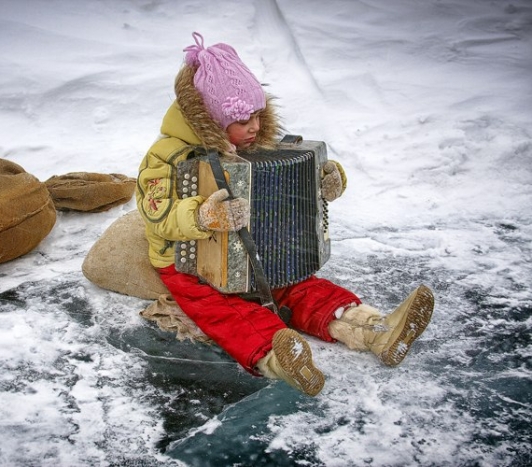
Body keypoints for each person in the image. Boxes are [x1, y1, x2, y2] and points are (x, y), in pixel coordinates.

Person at [135, 32, 434, 396]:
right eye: (242, 119)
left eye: (258, 115)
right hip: (188, 261)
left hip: (253, 246)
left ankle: (374, 330)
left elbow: (291, 188)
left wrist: (325, 181)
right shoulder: (167, 154)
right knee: (219, 307)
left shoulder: (260, 145)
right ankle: (279, 357)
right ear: (212, 120)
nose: (255, 127)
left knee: (297, 284)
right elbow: (157, 212)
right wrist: (203, 216)